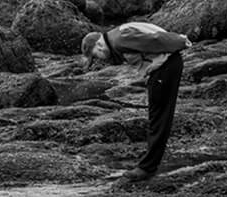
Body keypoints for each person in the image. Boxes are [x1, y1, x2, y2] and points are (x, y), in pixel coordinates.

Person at [81, 21, 192, 182]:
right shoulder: (117, 34)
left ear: (99, 45)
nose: (99, 60)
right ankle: (149, 165)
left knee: (158, 119)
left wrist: (181, 41)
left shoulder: (119, 39)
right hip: (166, 67)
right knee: (160, 117)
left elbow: (156, 40)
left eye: (95, 56)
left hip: (166, 67)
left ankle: (147, 168)